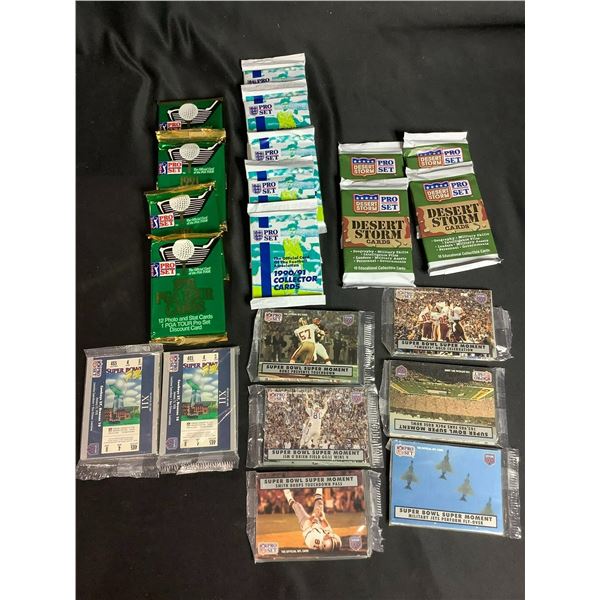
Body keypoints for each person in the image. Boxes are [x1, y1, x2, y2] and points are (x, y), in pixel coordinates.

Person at [283, 487, 342, 552]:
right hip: (317, 525)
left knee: (297, 506)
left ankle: (287, 494)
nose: (329, 536)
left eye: (329, 537)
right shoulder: (326, 541)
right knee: (319, 502)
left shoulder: (312, 540)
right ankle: (319, 484)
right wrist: (322, 518)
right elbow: (327, 528)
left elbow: (306, 526)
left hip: (307, 526)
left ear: (324, 543)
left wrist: (314, 516)